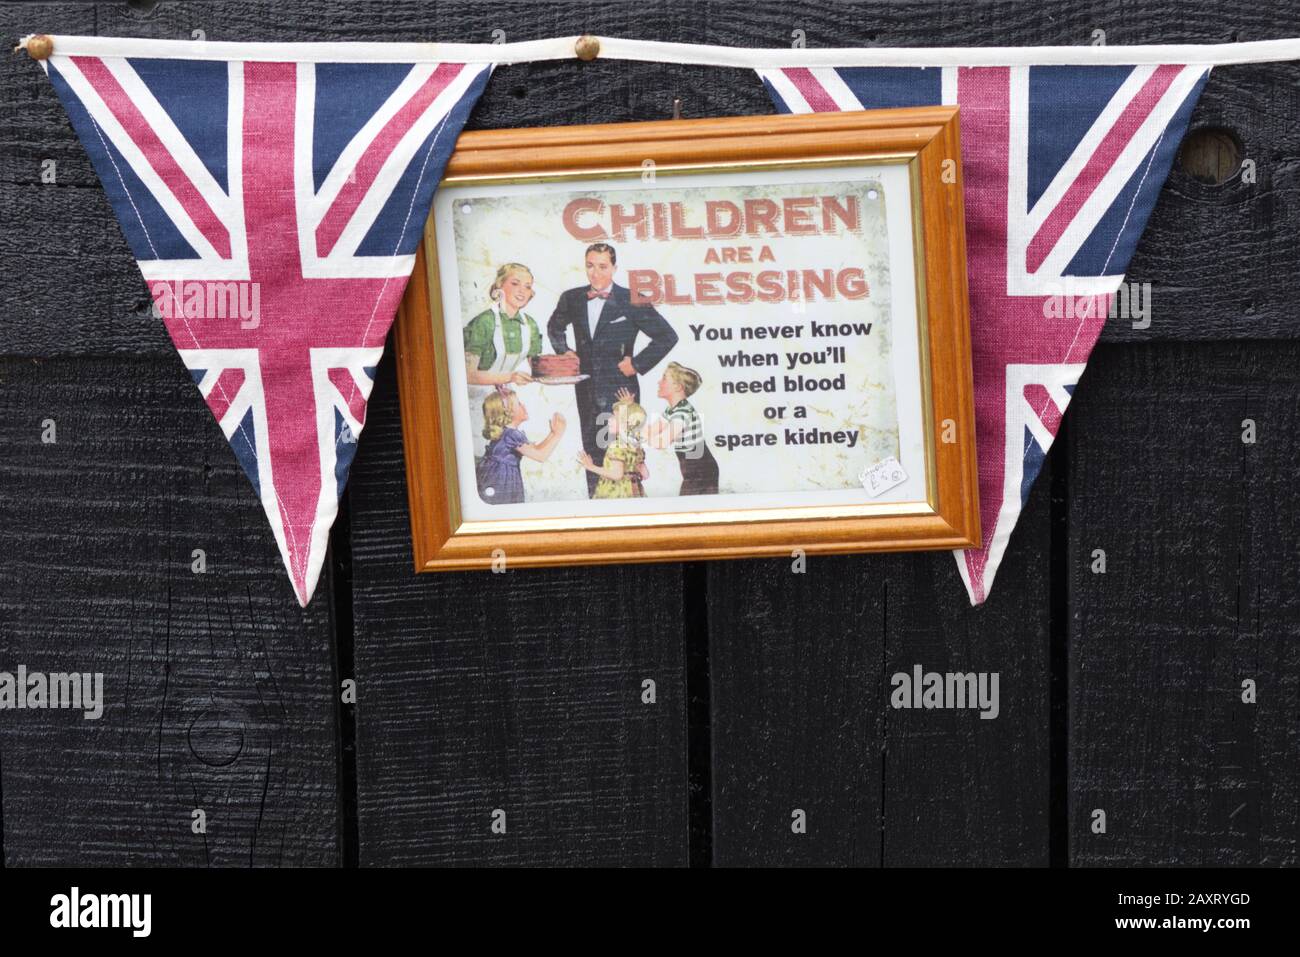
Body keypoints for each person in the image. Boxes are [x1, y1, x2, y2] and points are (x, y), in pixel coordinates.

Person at [547, 243, 678, 496]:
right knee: (593, 452)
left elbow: (667, 336)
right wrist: (564, 350)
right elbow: (555, 326)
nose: (595, 273)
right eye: (590, 266)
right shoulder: (572, 298)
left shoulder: (632, 300)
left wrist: (637, 364)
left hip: (621, 392)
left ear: (614, 268)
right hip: (585, 388)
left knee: (623, 455)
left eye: (602, 267)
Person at [464, 263, 542, 461]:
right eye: (515, 283)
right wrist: (511, 376)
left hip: (507, 403)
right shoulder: (485, 322)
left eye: (527, 286)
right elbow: (467, 374)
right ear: (500, 286)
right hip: (477, 402)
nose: (522, 291)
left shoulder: (530, 325)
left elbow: (538, 366)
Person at [476, 388, 565, 505]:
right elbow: (541, 456)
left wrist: (552, 433)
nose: (523, 405)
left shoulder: (507, 433)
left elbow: (535, 449)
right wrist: (558, 434)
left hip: (497, 476)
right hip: (500, 480)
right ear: (509, 412)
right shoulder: (511, 435)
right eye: (518, 403)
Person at [648, 361, 719, 496]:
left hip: (702, 473)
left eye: (664, 378)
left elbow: (661, 442)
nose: (659, 382)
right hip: (692, 470)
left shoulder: (682, 413)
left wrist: (628, 433)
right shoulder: (672, 409)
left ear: (678, 387)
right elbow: (652, 430)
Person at [578, 393, 647, 499]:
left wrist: (591, 467)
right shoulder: (636, 446)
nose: (609, 419)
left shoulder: (616, 446)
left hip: (616, 493)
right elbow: (645, 474)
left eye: (614, 417)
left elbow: (617, 475)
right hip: (634, 492)